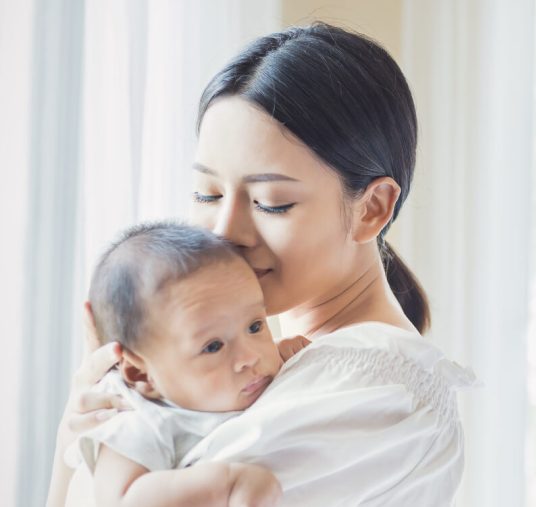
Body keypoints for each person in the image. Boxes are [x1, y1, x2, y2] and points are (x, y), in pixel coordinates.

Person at [48, 22, 474, 507]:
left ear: (373, 207)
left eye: (271, 203)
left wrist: (92, 456)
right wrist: (76, 430)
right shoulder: (248, 367)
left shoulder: (373, 393)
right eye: (207, 193)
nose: (223, 233)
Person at [71, 221, 308, 506]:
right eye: (213, 346)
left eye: (255, 326)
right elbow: (120, 499)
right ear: (141, 374)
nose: (250, 357)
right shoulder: (139, 418)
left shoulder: (245, 371)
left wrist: (283, 352)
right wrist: (227, 483)